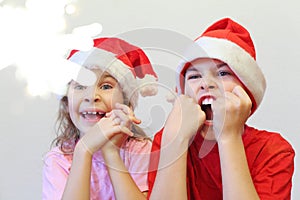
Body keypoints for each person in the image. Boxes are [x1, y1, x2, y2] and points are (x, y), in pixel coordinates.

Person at [148, 18, 295, 199]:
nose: (206, 84)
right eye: (194, 76)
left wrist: (228, 137)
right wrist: (175, 141)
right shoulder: (166, 138)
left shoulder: (273, 150)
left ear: (247, 91)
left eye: (223, 73)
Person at [42, 37, 158, 200]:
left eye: (106, 86)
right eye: (80, 86)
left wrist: (111, 152)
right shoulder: (58, 160)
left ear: (126, 101)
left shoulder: (140, 151)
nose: (91, 96)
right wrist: (84, 150)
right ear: (67, 100)